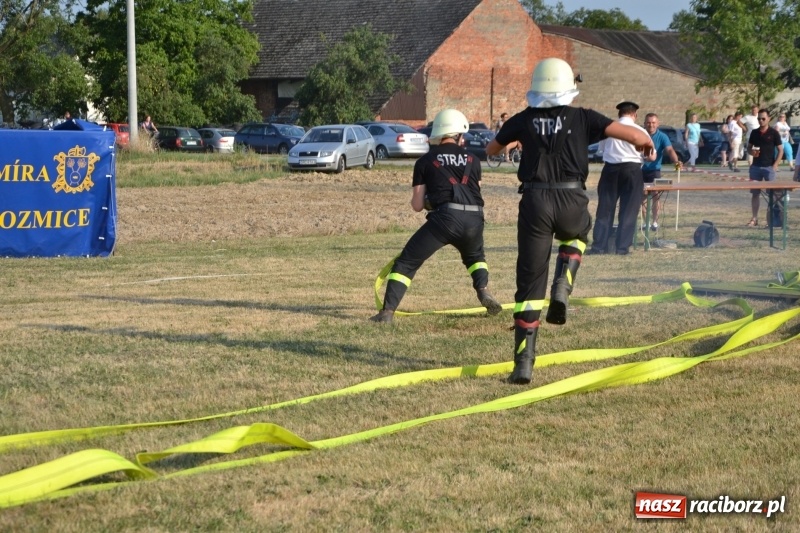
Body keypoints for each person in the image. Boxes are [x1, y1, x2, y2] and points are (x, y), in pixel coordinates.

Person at [486, 58, 654, 385]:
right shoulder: (583, 117)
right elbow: (627, 133)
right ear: (569, 89)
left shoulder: (523, 119)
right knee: (578, 235)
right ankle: (563, 283)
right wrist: (645, 142)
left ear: (536, 89)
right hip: (571, 198)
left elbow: (492, 148)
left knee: (529, 282)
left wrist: (515, 138)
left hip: (535, 201)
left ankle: (523, 363)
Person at [370, 108, 502, 324]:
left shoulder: (424, 161)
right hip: (475, 218)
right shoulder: (473, 160)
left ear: (438, 134)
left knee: (406, 263)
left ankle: (387, 313)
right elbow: (475, 192)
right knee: (476, 258)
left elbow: (417, 205)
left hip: (445, 219)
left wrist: (432, 200)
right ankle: (483, 289)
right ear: (459, 134)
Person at [591, 101, 656, 256]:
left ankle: (599, 246)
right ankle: (622, 248)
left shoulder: (609, 129)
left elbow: (601, 149)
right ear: (634, 115)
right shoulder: (640, 131)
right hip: (632, 170)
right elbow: (651, 156)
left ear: (619, 114)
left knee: (605, 209)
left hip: (611, 170)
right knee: (629, 210)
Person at [641, 112, 682, 230]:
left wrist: (676, 161)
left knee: (655, 196)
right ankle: (645, 223)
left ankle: (654, 222)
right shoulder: (640, 134)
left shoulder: (662, 136)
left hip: (655, 170)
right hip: (640, 170)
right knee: (642, 197)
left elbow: (670, 150)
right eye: (648, 123)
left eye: (653, 122)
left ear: (657, 123)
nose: (651, 125)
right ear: (644, 123)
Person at [746, 108, 783, 227]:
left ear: (769, 119)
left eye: (763, 118)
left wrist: (775, 165)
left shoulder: (774, 133)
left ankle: (770, 220)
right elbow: (749, 148)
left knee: (772, 195)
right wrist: (752, 153)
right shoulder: (754, 132)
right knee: (755, 194)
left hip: (768, 167)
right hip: (756, 167)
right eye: (759, 119)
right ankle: (754, 218)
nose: (761, 121)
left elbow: (780, 150)